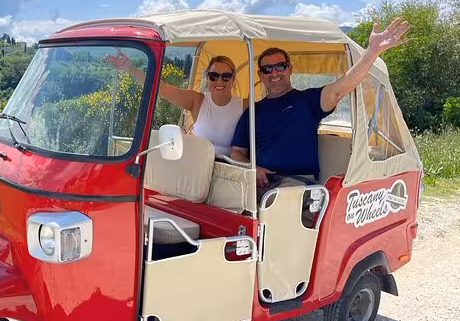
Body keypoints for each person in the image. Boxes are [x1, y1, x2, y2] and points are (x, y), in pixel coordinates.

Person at [229, 17, 411, 196]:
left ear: (289, 69)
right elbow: (237, 152)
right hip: (259, 181)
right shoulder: (252, 112)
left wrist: (372, 52)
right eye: (268, 69)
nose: (274, 72)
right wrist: (253, 168)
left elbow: (340, 88)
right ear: (260, 75)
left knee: (277, 203)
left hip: (297, 183)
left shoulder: (307, 101)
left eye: (280, 66)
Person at [105, 52, 245, 157]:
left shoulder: (244, 106)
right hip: (197, 166)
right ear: (207, 78)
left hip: (229, 172)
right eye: (214, 76)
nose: (219, 81)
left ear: (233, 79)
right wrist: (130, 69)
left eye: (226, 76)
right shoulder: (197, 100)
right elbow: (163, 90)